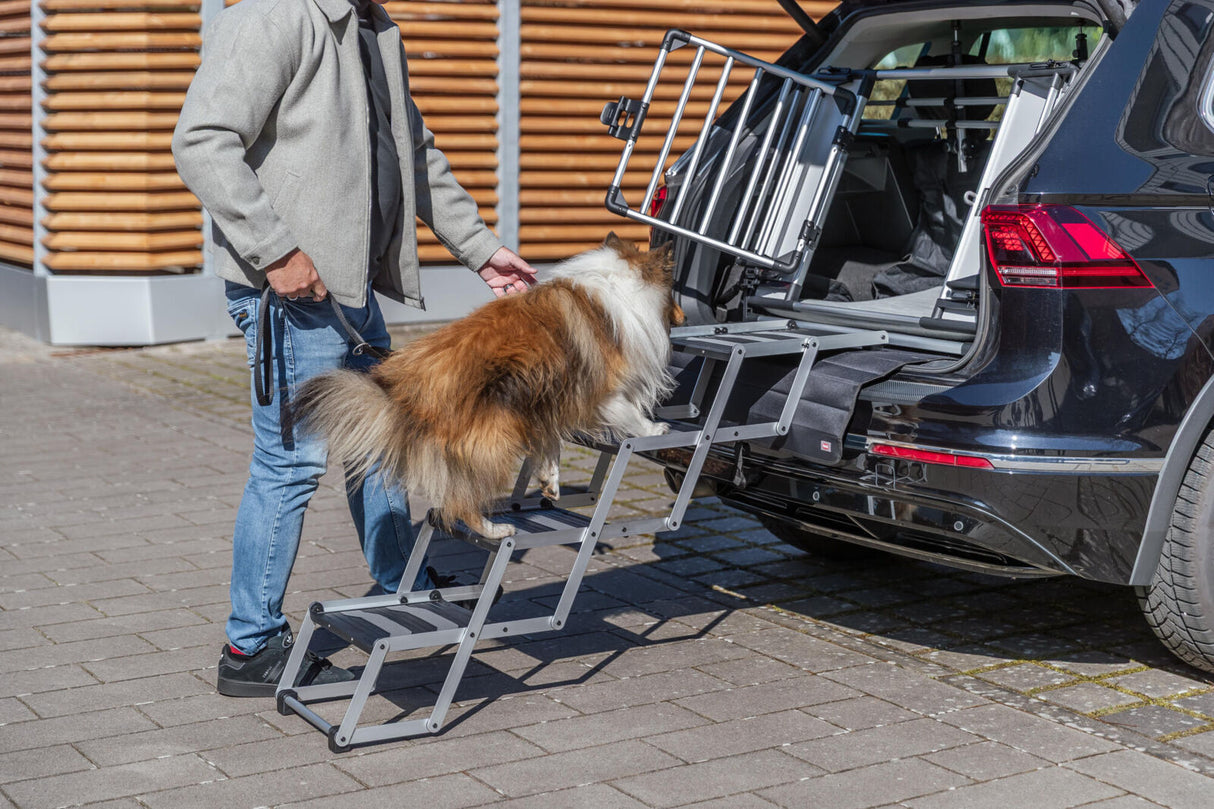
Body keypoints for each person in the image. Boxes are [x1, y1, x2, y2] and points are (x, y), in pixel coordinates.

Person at [172, 0, 536, 697]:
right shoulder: (276, 14)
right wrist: (275, 251)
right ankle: (250, 646)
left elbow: (414, 153)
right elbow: (202, 139)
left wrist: (481, 250)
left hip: (351, 290)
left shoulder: (374, 27)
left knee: (382, 440)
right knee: (290, 464)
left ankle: (401, 582)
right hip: (290, 294)